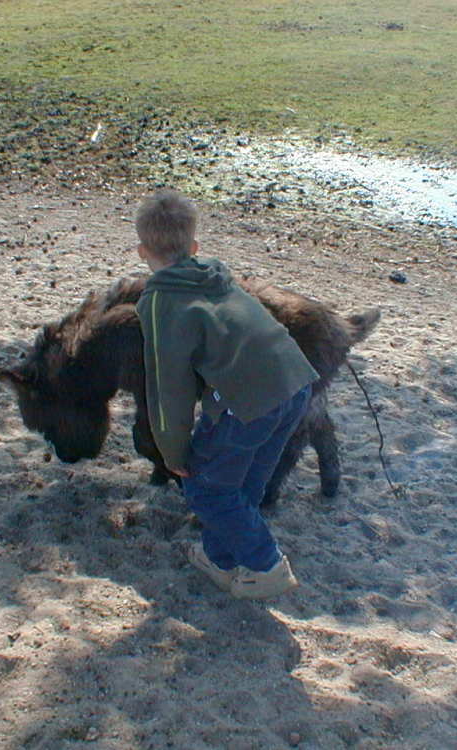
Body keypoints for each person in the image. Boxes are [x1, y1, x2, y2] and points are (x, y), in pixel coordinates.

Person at [134, 189, 319, 599]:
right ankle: (222, 560)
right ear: (195, 246)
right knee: (243, 482)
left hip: (248, 402)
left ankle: (266, 565)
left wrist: (173, 451)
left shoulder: (161, 300)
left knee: (205, 487)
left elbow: (169, 385)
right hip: (295, 384)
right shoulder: (217, 275)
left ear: (142, 250)